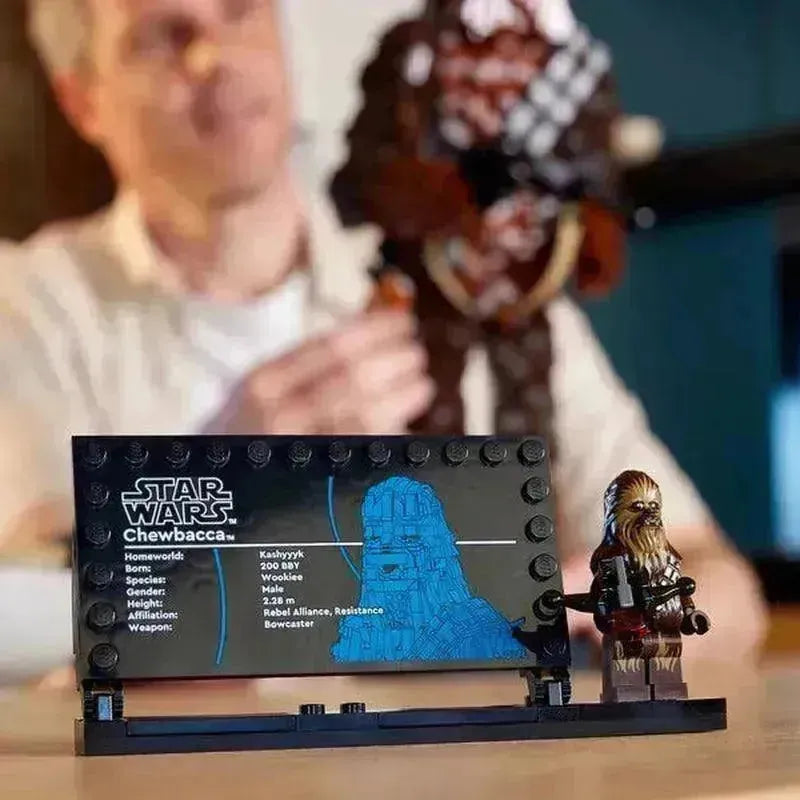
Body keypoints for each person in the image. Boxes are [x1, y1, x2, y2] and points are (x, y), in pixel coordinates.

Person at [0, 0, 765, 682]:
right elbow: (37, 628)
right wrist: (228, 491)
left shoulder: (479, 286)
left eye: (240, 10)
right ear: (81, 99)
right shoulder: (26, 310)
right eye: (162, 35)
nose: (216, 56)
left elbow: (722, 589)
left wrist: (607, 617)